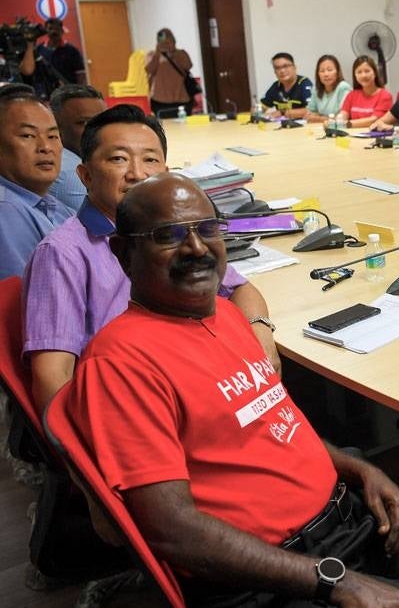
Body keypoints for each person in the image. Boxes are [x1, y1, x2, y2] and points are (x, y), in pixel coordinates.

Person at [56, 172, 399, 608]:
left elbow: (275, 424)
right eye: (169, 235)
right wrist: (335, 580)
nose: (196, 247)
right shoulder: (120, 363)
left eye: (207, 228)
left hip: (343, 527)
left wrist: (361, 469)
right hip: (272, 581)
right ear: (122, 253)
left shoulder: (224, 314)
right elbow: (171, 531)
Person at [21, 104, 278, 415]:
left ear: (166, 174)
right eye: (118, 159)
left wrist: (261, 336)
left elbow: (240, 288)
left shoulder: (178, 234)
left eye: (150, 160)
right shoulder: (62, 253)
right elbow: (53, 381)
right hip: (139, 409)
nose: (137, 174)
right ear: (85, 175)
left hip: (202, 385)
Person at [0, 84, 74, 279]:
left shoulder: (54, 206)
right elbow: (27, 301)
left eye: (52, 136)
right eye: (28, 136)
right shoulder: (5, 210)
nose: (45, 147)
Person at [48, 84, 107, 211]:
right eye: (84, 123)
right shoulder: (72, 174)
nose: (100, 131)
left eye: (105, 122)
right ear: (56, 128)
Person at [18, 17, 86, 98]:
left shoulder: (72, 50)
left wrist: (78, 92)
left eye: (57, 29)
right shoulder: (38, 50)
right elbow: (28, 72)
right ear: (46, 31)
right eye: (50, 28)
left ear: (62, 30)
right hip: (46, 94)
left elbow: (80, 74)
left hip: (68, 94)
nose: (54, 31)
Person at [145, 28, 195, 119]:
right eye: (162, 41)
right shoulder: (152, 55)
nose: (165, 43)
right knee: (165, 128)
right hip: (160, 100)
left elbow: (188, 66)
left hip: (181, 97)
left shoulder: (181, 53)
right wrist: (158, 53)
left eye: (169, 40)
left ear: (174, 40)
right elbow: (149, 70)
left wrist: (173, 53)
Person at [335, 55, 393, 129]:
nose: (363, 75)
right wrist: (337, 121)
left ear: (375, 73)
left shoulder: (385, 96)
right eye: (359, 72)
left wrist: (346, 124)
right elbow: (343, 114)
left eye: (367, 71)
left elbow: (374, 120)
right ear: (355, 76)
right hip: (351, 135)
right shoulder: (352, 95)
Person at [261, 52, 313, 120]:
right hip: (283, 126)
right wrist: (257, 110)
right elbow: (262, 107)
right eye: (277, 68)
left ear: (294, 67)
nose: (282, 71)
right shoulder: (276, 86)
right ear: (275, 72)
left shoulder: (304, 84)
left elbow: (310, 110)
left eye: (285, 66)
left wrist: (282, 112)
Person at [304, 54, 351, 123]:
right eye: (322, 71)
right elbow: (310, 113)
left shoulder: (343, 87)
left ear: (337, 72)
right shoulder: (316, 89)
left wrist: (318, 118)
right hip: (318, 128)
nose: (326, 74)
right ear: (318, 74)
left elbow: (341, 118)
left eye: (330, 70)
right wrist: (324, 118)